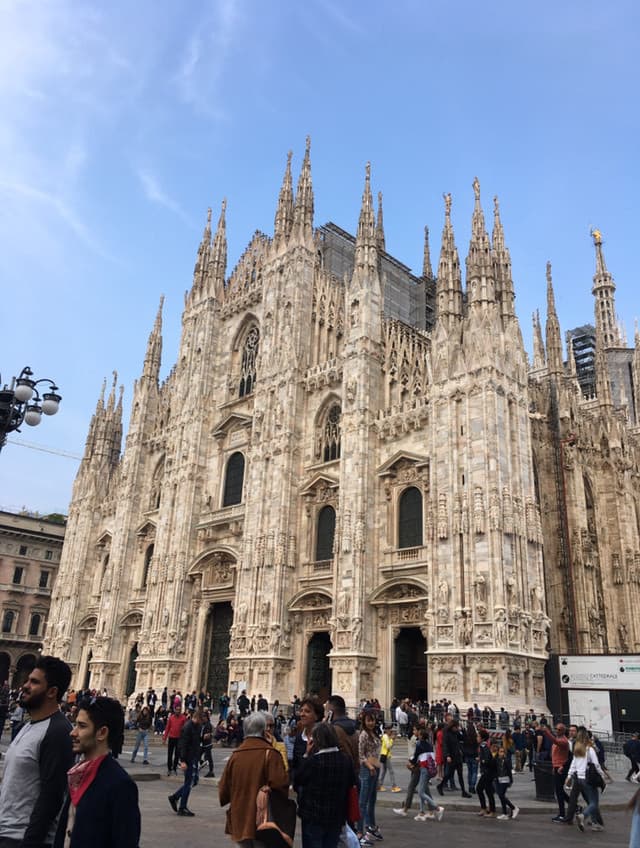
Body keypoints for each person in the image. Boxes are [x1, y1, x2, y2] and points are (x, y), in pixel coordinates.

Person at [0, 656, 73, 846]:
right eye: (27, 680)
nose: (25, 686)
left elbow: (52, 797)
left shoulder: (58, 732)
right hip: (6, 832)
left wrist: (30, 842)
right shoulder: (29, 725)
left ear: (52, 692)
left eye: (34, 682)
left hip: (21, 839)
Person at [53, 697, 140, 847]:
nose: (73, 733)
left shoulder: (120, 785)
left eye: (81, 726)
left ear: (102, 733)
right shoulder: (77, 774)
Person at [219, 711, 289, 845]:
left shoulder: (235, 755)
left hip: (239, 816)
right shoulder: (270, 753)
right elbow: (281, 784)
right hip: (262, 818)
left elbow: (224, 790)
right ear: (264, 731)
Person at [296, 722, 357, 848]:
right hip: (336, 815)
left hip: (314, 815)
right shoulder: (346, 760)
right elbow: (352, 783)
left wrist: (306, 754)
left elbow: (298, 779)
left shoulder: (313, 761)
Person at [565, 727, 606, 832]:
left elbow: (573, 764)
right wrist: (602, 775)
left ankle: (596, 822)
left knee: (590, 800)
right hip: (589, 778)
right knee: (593, 802)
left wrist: (569, 775)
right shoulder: (589, 749)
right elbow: (596, 764)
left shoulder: (577, 748)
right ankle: (584, 815)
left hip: (579, 778)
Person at [168, 708, 204, 816]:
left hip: (193, 756)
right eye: (201, 720)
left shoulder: (197, 727)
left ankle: (175, 797)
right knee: (189, 782)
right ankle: (182, 807)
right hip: (188, 758)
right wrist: (182, 760)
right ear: (196, 718)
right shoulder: (187, 727)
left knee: (194, 780)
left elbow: (196, 742)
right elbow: (182, 744)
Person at [358, 709, 382, 846]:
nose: (371, 723)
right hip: (367, 770)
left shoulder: (374, 733)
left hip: (375, 769)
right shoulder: (363, 735)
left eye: (372, 720)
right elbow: (360, 755)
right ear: (364, 721)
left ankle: (371, 826)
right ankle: (359, 832)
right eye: (368, 720)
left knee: (372, 800)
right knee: (363, 802)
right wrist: (370, 766)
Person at [292, 697, 324, 790]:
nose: (302, 714)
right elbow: (295, 765)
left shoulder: (323, 738)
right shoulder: (299, 738)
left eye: (307, 711)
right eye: (301, 711)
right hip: (302, 791)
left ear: (317, 716)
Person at [412, 729, 444, 822]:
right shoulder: (429, 745)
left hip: (424, 768)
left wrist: (411, 763)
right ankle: (422, 812)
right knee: (423, 790)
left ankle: (437, 808)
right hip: (430, 769)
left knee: (421, 792)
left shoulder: (419, 744)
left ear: (421, 736)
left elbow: (415, 757)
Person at [437, 718, 471, 797]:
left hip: (458, 756)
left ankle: (463, 791)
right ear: (452, 727)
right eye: (456, 727)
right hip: (451, 757)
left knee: (460, 774)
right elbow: (445, 746)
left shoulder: (456, 733)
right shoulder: (447, 734)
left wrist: (463, 730)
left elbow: (464, 738)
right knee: (449, 774)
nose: (457, 728)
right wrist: (447, 755)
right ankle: (440, 786)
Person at [476, 728, 497, 818]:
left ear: (482, 738)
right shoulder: (483, 746)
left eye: (478, 736)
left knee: (481, 789)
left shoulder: (483, 747)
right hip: (487, 772)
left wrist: (481, 760)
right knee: (487, 790)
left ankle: (489, 809)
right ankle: (486, 808)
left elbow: (487, 760)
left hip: (487, 772)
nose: (477, 737)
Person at [494, 745, 519, 820]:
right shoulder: (496, 760)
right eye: (500, 752)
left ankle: (513, 808)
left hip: (505, 779)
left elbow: (509, 771)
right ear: (498, 752)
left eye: (503, 752)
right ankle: (504, 813)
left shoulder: (507, 760)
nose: (501, 753)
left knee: (501, 795)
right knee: (501, 796)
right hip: (498, 779)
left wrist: (511, 781)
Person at [163, 703, 187, 775]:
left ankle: (174, 768)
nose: (178, 711)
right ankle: (169, 769)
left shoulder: (183, 718)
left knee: (177, 754)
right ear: (174, 710)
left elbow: (185, 729)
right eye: (177, 710)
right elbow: (167, 728)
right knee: (169, 754)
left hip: (179, 738)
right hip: (171, 737)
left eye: (179, 710)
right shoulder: (171, 718)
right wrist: (164, 737)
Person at [377, 726, 401, 792]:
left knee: (384, 771)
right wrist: (392, 740)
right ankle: (394, 786)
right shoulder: (385, 736)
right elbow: (388, 746)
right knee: (391, 771)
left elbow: (390, 747)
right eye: (390, 730)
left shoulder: (387, 737)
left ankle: (379, 785)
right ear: (386, 730)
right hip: (385, 755)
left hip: (385, 755)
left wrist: (392, 740)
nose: (391, 731)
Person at [200, 709, 215, 777]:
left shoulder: (208, 724)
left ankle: (211, 771)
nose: (203, 718)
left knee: (209, 757)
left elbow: (210, 733)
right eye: (202, 717)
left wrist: (208, 735)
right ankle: (201, 764)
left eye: (204, 717)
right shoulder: (201, 724)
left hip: (207, 744)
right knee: (197, 756)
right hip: (202, 743)